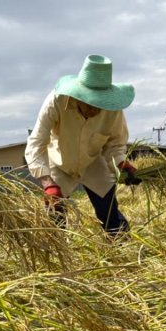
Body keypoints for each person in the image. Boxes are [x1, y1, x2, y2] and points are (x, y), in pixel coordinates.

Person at [25, 55, 140, 234]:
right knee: (54, 216)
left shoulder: (113, 109)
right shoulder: (56, 101)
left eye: (101, 103)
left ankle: (120, 246)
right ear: (79, 95)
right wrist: (48, 184)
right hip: (60, 161)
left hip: (93, 162)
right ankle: (57, 254)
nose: (96, 109)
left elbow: (115, 144)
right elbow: (36, 142)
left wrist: (121, 163)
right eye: (91, 102)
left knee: (109, 214)